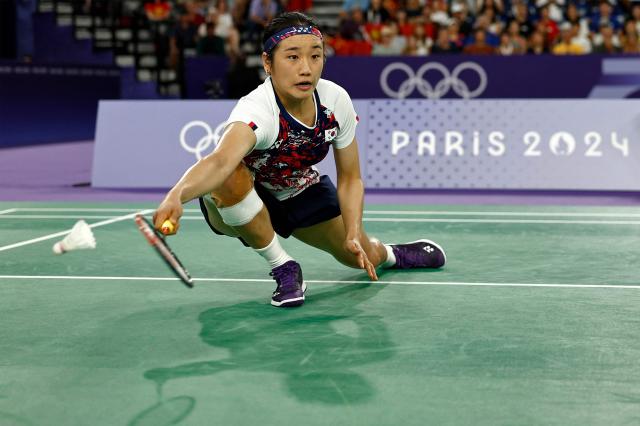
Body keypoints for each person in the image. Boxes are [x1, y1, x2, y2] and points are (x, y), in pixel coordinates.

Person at [153, 12, 446, 308]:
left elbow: (350, 177)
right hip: (244, 194)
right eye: (292, 57)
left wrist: (354, 231)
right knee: (230, 175)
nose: (306, 69)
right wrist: (178, 195)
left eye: (315, 56)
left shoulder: (335, 102)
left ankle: (392, 254)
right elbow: (218, 163)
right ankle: (284, 267)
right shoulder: (257, 111)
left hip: (299, 189)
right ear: (268, 63)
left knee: (360, 256)